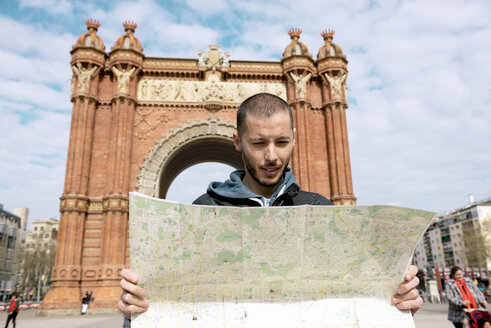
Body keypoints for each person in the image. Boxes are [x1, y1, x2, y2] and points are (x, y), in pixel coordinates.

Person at [118, 93, 424, 326]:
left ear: (294, 139)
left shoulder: (320, 209)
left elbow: (354, 298)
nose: (271, 156)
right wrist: (137, 311)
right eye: (259, 143)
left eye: (281, 142)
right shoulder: (203, 210)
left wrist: (398, 301)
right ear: (237, 142)